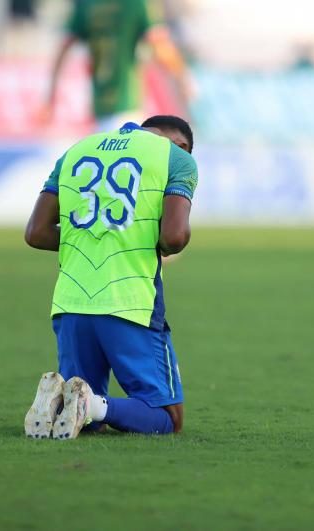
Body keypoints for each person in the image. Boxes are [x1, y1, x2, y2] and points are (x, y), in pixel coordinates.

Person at [23, 115, 198, 439]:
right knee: (167, 418)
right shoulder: (177, 158)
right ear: (183, 145)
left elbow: (36, 232)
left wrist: (94, 238)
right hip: (129, 303)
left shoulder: (76, 150)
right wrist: (140, 238)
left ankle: (61, 405)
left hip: (70, 303)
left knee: (86, 423)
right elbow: (174, 237)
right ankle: (90, 406)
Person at [42, 0, 191, 132]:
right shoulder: (136, 3)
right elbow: (159, 45)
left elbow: (63, 49)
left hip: (99, 107)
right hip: (127, 105)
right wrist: (183, 76)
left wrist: (50, 98)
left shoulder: (86, 4)